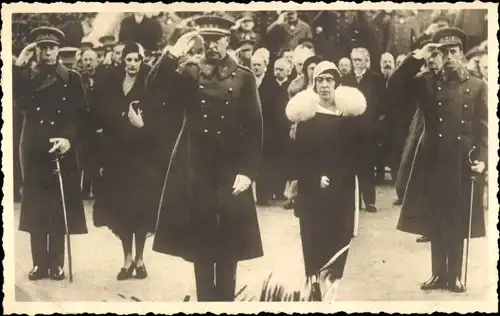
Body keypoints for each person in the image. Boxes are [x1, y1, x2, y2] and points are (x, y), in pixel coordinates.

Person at [146, 15, 264, 302]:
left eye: (218, 39)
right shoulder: (188, 72)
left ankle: (225, 300)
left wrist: (248, 172)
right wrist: (171, 54)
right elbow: (153, 91)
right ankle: (205, 302)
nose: (212, 45)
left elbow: (254, 127)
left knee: (229, 240)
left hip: (230, 168)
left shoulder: (244, 76)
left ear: (228, 40)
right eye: (207, 40)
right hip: (194, 165)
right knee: (200, 240)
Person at [388, 27, 488, 293]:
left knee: (456, 217)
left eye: (454, 51)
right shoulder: (427, 82)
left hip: (461, 160)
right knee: (436, 216)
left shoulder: (477, 86)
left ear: (462, 54)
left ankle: (454, 275)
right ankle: (437, 274)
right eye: (443, 53)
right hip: (433, 158)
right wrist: (417, 56)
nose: (450, 57)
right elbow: (394, 84)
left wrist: (482, 158)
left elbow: (484, 127)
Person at [285, 61, 366, 301]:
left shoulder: (349, 118)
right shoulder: (307, 119)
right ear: (314, 84)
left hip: (342, 187)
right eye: (320, 80)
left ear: (337, 85)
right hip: (313, 190)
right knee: (313, 235)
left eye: (329, 80)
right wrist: (315, 177)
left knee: (339, 236)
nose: (324, 85)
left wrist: (339, 175)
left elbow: (357, 154)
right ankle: (313, 283)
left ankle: (331, 286)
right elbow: (298, 158)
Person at [13, 27, 88, 281]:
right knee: (35, 204)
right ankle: (38, 263)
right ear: (36, 49)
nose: (47, 52)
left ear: (58, 50)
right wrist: (18, 65)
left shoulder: (72, 78)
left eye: (52, 47)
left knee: (58, 204)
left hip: (61, 146)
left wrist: (68, 139)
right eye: (42, 47)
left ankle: (56, 263)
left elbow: (80, 115)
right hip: (33, 147)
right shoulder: (25, 76)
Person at [91, 42, 157, 280]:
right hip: (117, 158)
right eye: (128, 60)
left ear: (142, 61)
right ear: (123, 61)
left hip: (141, 158)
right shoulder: (112, 84)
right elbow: (103, 121)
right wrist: (102, 158)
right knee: (122, 211)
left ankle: (140, 259)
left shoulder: (149, 85)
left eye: (136, 60)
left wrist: (142, 126)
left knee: (140, 210)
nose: (132, 64)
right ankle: (127, 259)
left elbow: (158, 123)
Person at [342, 47, 385, 213]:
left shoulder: (376, 79)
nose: (356, 64)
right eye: (354, 60)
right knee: (350, 164)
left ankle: (369, 201)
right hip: (350, 129)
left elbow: (382, 104)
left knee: (367, 165)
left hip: (369, 130)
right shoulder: (346, 80)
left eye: (359, 60)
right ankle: (353, 201)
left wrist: (377, 127)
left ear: (367, 61)